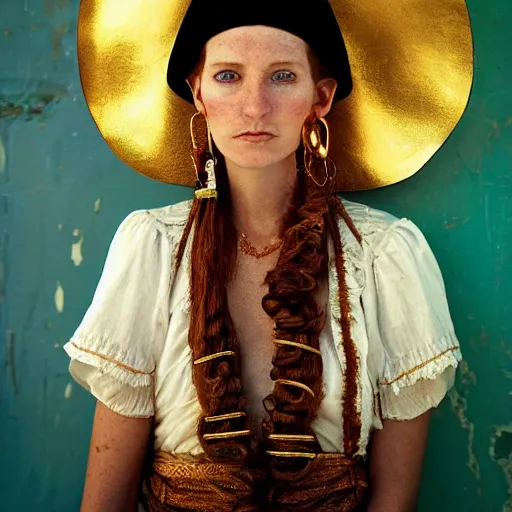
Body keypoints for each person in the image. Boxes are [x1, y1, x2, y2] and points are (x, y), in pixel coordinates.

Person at [65, 0, 472, 510]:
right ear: (199, 94)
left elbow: (394, 498)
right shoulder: (152, 249)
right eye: (228, 75)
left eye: (282, 76)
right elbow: (106, 499)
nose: (254, 107)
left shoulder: (385, 257)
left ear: (319, 98)